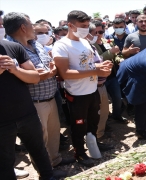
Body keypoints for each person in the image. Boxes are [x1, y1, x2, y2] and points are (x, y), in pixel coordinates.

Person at [4, 12, 74, 174]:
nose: (34, 28)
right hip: (33, 103)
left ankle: (55, 161)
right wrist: (43, 74)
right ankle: (46, 170)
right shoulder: (9, 48)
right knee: (39, 141)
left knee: (53, 132)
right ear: (23, 27)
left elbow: (48, 66)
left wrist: (52, 70)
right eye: (31, 24)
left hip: (50, 96)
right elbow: (20, 77)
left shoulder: (35, 44)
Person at [52, 10, 113, 167]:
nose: (86, 29)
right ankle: (79, 153)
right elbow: (65, 73)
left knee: (94, 121)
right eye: (83, 26)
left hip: (93, 90)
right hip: (77, 94)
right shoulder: (61, 45)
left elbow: (88, 64)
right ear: (70, 25)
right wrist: (96, 71)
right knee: (79, 125)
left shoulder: (85, 42)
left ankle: (94, 144)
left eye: (87, 25)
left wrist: (101, 65)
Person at [93, 19, 128, 124]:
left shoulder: (108, 41)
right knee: (101, 102)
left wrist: (119, 59)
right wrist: (110, 52)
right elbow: (97, 59)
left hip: (112, 76)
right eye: (95, 32)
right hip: (99, 78)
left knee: (117, 98)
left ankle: (117, 116)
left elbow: (116, 55)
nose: (98, 34)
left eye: (100, 32)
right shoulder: (90, 45)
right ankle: (104, 120)